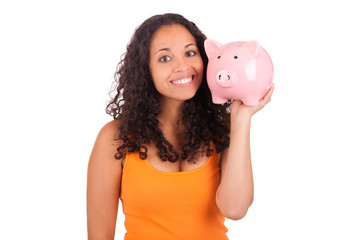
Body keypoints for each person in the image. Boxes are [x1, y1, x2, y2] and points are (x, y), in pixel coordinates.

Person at [87, 13, 274, 240]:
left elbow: (235, 209)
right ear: (146, 70)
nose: (183, 66)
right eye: (165, 58)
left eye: (190, 53)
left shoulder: (221, 130)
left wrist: (242, 117)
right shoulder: (115, 138)